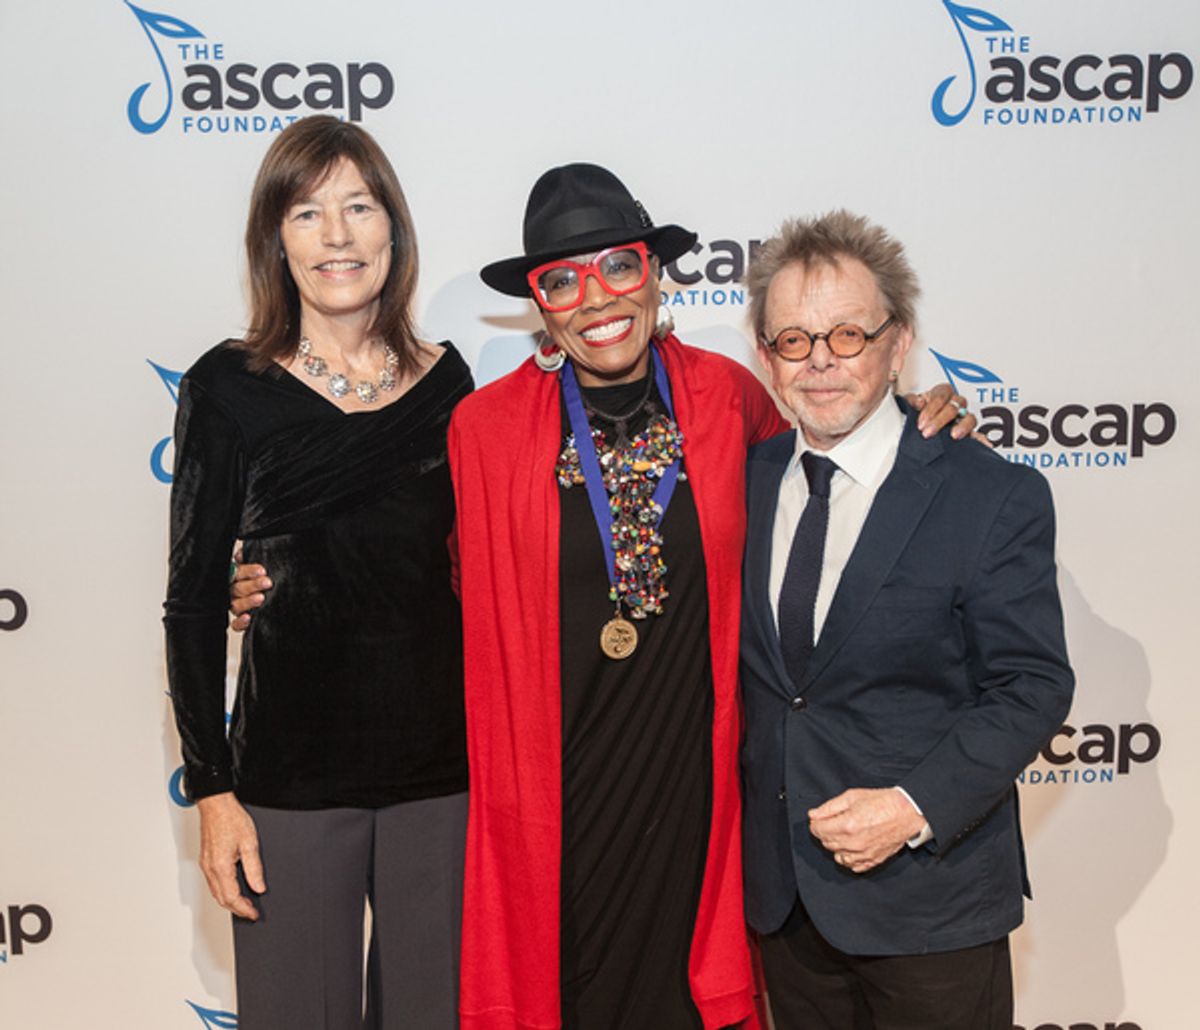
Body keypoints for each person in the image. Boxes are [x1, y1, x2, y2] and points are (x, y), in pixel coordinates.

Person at [230, 164, 971, 1028]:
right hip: (551, 803)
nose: (596, 297)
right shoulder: (486, 427)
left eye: (619, 266)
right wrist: (258, 575)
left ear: (655, 275)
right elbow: (402, 559)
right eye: (562, 279)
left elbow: (835, 478)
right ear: (541, 304)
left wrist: (918, 415)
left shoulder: (730, 401)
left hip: (691, 797)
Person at [163, 116, 471, 1029]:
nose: (336, 235)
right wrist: (212, 791)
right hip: (285, 787)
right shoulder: (225, 387)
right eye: (306, 213)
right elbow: (187, 604)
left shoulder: (454, 388)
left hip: (444, 783)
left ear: (394, 230)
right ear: (275, 240)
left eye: (358, 206)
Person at [738, 210, 1075, 1029]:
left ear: (900, 342)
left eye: (848, 334)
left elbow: (1032, 685)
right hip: (786, 912)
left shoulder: (987, 491)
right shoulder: (744, 479)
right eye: (794, 339)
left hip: (934, 910)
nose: (820, 361)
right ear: (766, 356)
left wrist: (912, 808)